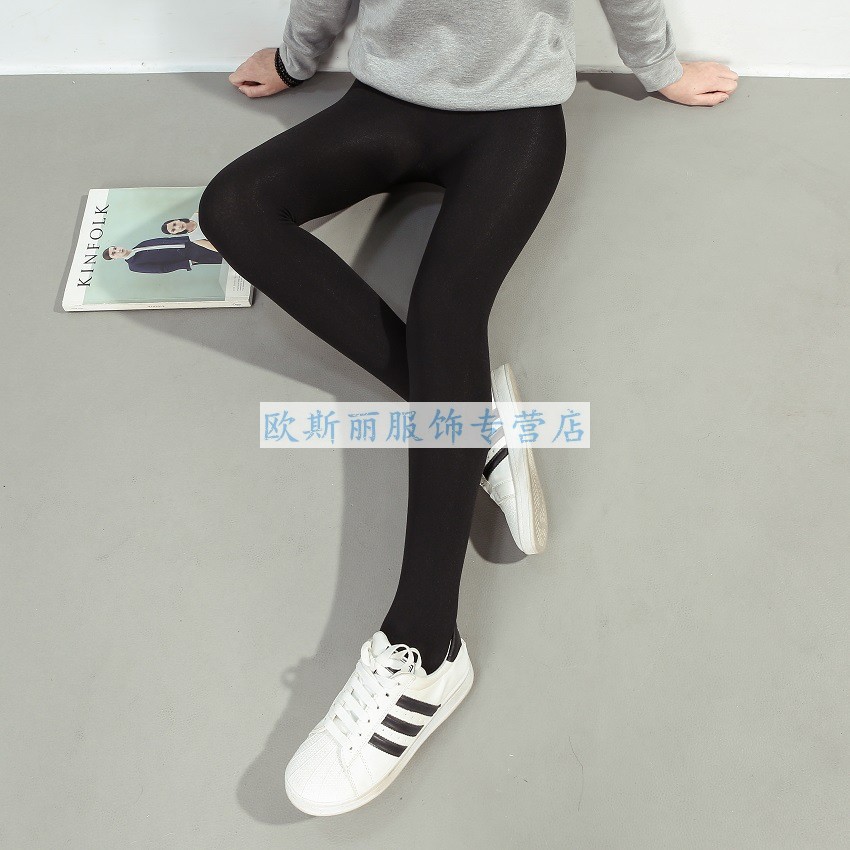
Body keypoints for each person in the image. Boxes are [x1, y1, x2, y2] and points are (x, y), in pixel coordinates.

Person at [198, 0, 738, 816]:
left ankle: (425, 648)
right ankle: (484, 425)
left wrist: (660, 69)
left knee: (447, 316)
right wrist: (294, 58)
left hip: (514, 119)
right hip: (386, 99)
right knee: (231, 206)